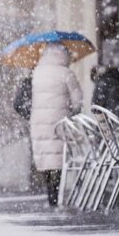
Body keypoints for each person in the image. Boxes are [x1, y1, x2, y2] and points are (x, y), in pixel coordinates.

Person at [30, 43, 83, 206]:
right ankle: (55, 192)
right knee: (58, 158)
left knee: (46, 158)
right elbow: (77, 101)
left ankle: (50, 193)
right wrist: (73, 110)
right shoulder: (66, 73)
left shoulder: (37, 72)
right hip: (59, 123)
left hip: (38, 121)